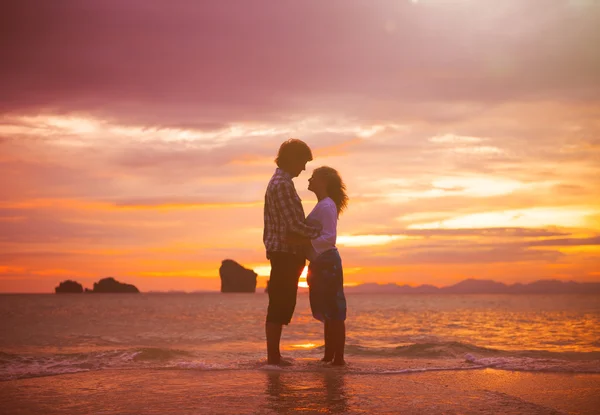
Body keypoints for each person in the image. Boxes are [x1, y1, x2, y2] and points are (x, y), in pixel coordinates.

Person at [263, 138, 321, 366]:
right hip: (284, 252)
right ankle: (273, 358)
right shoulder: (282, 185)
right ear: (292, 158)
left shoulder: (280, 183)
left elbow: (293, 224)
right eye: (303, 162)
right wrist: (321, 231)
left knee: (282, 302)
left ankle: (274, 357)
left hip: (285, 251)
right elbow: (293, 225)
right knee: (280, 303)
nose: (304, 168)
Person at [289, 166, 348, 366]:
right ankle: (329, 356)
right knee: (326, 310)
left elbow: (329, 237)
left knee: (334, 311)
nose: (309, 180)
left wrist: (303, 243)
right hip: (320, 261)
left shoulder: (327, 206)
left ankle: (338, 358)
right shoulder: (323, 205)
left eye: (313, 177)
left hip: (327, 261)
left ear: (324, 181)